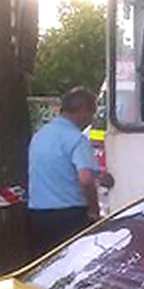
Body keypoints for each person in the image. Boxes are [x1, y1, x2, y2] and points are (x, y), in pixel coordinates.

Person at [27, 87, 101, 260]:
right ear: (83, 110)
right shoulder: (76, 138)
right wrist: (93, 210)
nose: (90, 120)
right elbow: (86, 179)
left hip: (38, 214)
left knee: (45, 268)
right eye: (92, 114)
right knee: (71, 266)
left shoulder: (40, 135)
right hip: (70, 216)